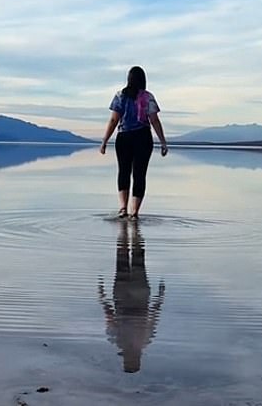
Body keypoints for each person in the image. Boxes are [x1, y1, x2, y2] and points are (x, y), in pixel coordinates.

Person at [97, 220, 166, 373]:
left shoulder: (138, 340)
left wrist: (160, 298)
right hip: (128, 296)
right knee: (126, 257)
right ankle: (132, 231)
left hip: (137, 296)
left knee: (136, 259)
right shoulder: (129, 340)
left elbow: (110, 316)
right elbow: (152, 318)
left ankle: (130, 231)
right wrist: (102, 296)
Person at [100, 66, 168, 219]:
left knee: (123, 172)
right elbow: (155, 120)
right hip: (143, 138)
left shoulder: (120, 96)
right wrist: (163, 142)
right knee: (139, 174)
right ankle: (134, 213)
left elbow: (113, 120)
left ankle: (123, 208)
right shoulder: (148, 97)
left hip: (123, 137)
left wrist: (105, 140)